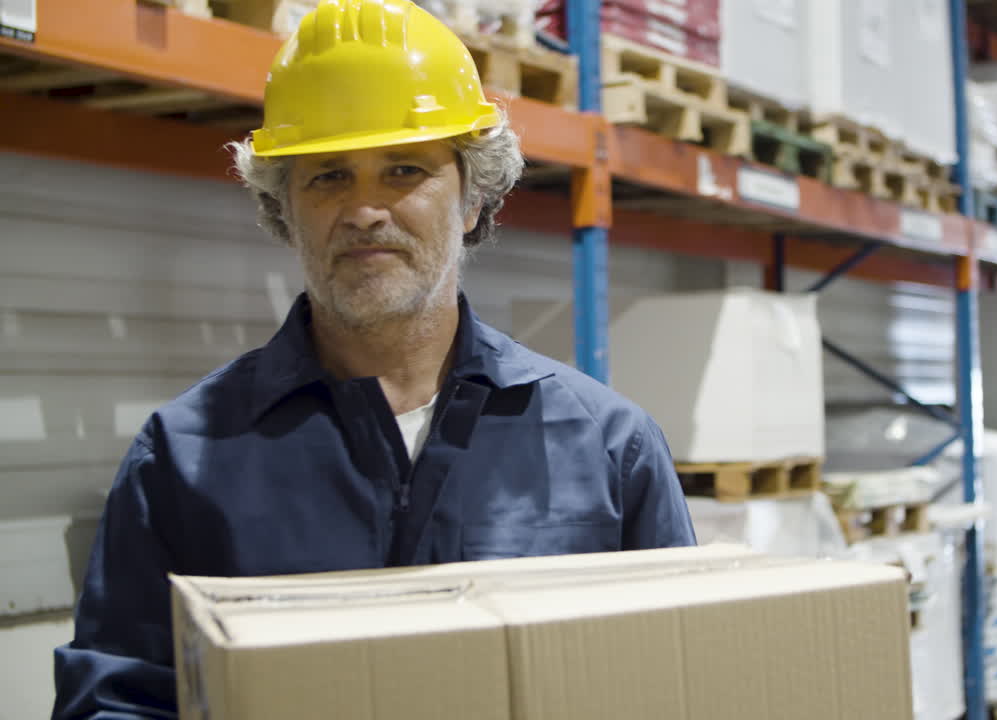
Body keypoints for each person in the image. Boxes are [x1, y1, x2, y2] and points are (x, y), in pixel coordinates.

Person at [51, 1, 696, 716]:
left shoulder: (609, 449)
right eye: (328, 176)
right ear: (283, 208)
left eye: (403, 169)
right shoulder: (185, 456)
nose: (364, 210)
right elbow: (116, 701)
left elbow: (681, 684)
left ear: (473, 199)